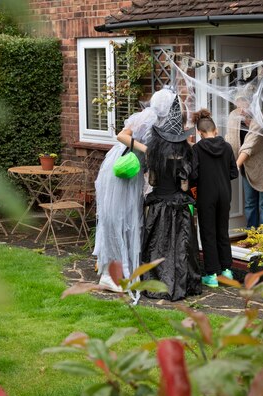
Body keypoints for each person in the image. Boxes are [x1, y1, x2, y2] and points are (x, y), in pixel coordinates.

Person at [92, 87, 179, 299]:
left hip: (133, 174)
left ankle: (120, 271)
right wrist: (147, 150)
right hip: (120, 171)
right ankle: (109, 275)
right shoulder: (147, 116)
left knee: (128, 220)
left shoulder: (160, 124)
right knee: (117, 219)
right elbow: (122, 135)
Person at [121, 92, 202, 301]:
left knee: (157, 245)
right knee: (181, 246)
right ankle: (183, 282)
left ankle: (156, 280)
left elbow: (154, 182)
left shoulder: (155, 156)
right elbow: (185, 187)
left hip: (158, 206)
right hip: (178, 205)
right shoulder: (184, 155)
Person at [191, 109, 238, 287]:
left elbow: (193, 175)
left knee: (208, 232)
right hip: (225, 195)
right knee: (222, 231)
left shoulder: (197, 149)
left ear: (200, 133)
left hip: (206, 195)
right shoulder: (226, 147)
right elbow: (234, 172)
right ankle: (227, 271)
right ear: (215, 130)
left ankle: (211, 274)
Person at [225, 93, 263, 228]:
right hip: (246, 167)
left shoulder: (260, 117)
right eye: (238, 105)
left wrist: (234, 166)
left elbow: (249, 145)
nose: (241, 110)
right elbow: (230, 140)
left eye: (244, 105)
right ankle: (251, 235)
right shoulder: (234, 115)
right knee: (250, 202)